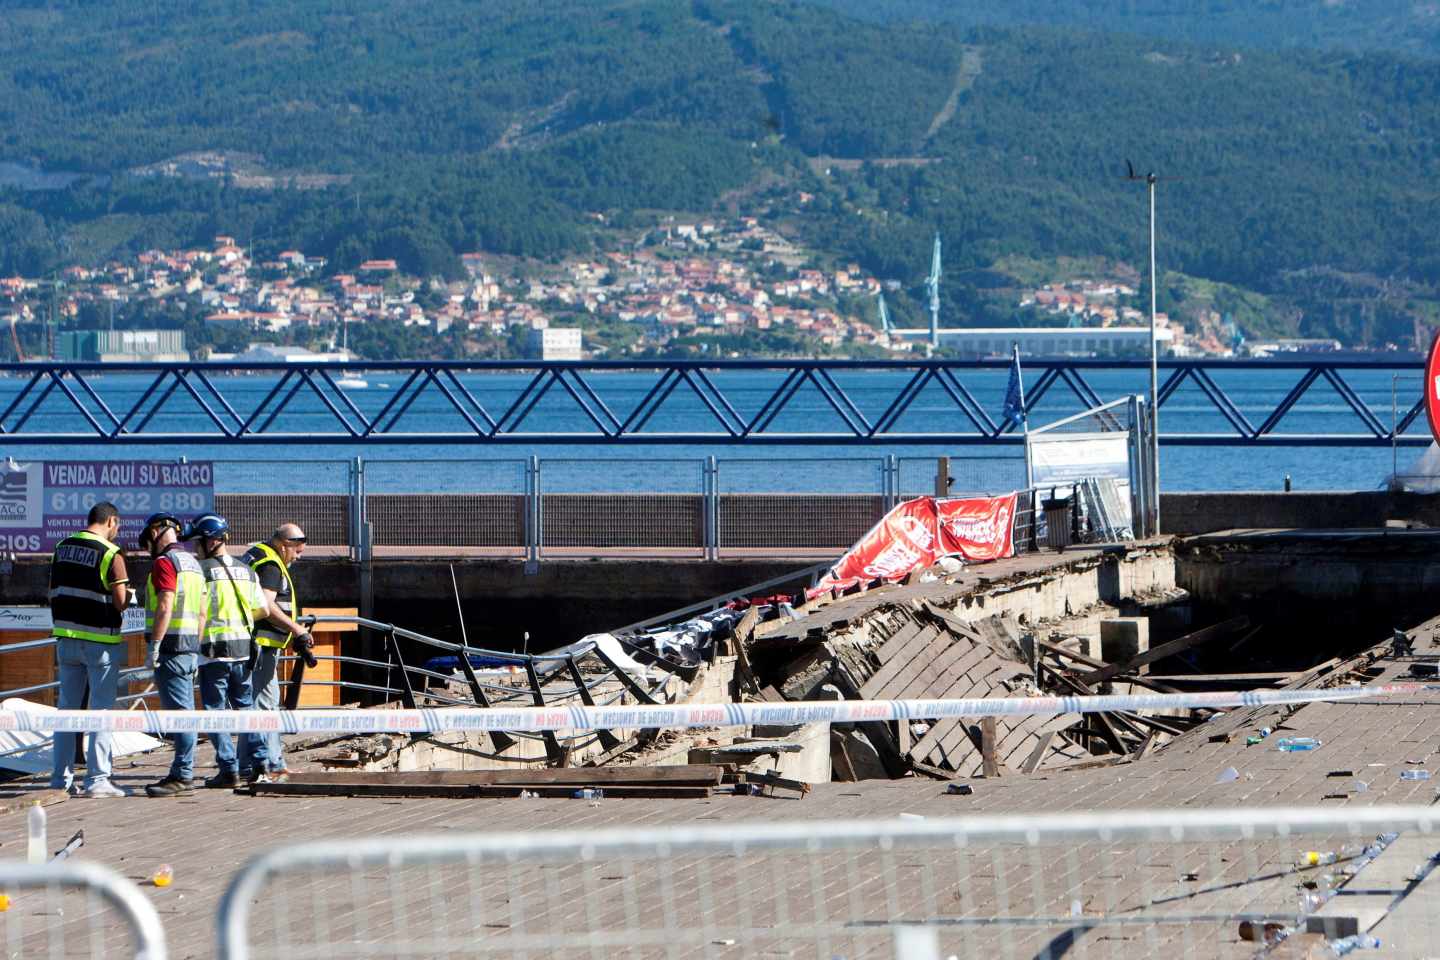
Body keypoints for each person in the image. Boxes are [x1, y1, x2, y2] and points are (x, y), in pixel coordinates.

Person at [48, 502, 132, 798]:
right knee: (101, 711)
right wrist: (130, 596)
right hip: (100, 643)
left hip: (65, 638)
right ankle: (97, 779)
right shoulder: (111, 553)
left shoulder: (62, 546)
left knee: (66, 711)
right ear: (111, 521)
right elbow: (121, 601)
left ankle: (60, 779)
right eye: (117, 526)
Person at [188, 513, 268, 789]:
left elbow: (197, 613)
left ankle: (228, 768)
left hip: (212, 651)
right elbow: (264, 610)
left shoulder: (200, 571)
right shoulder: (247, 570)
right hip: (243, 650)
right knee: (247, 708)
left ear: (211, 542)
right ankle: (260, 763)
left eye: (197, 542)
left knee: (215, 711)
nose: (194, 547)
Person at [139, 512, 208, 798]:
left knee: (181, 716)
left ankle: (182, 774)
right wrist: (195, 646)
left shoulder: (165, 563)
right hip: (189, 648)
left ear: (157, 533)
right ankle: (183, 771)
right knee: (186, 713)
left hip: (170, 649)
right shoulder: (193, 564)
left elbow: (165, 605)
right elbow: (203, 612)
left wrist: (154, 645)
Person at [242, 523, 313, 781]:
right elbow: (267, 605)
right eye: (297, 552)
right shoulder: (271, 565)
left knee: (254, 705)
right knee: (266, 705)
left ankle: (248, 764)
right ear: (284, 545)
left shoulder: (255, 554)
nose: (298, 557)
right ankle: (271, 764)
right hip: (263, 644)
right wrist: (297, 629)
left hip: (253, 644)